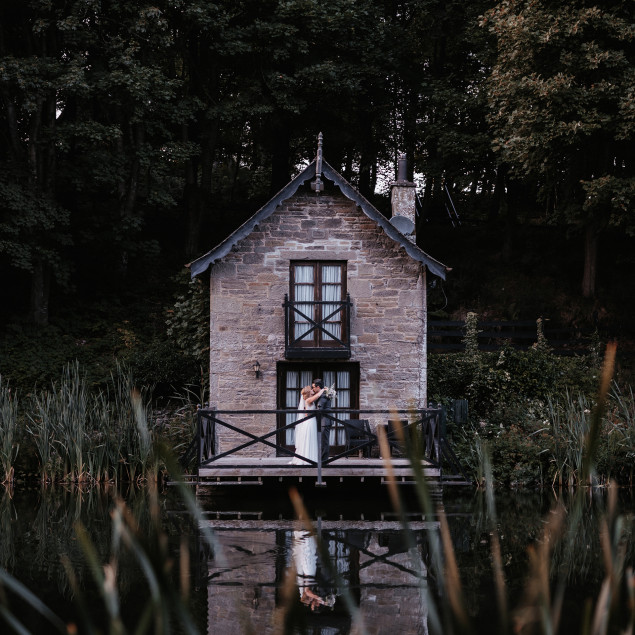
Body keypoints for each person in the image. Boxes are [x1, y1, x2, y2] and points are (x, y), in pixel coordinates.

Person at [290, 385, 325, 465]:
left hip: (312, 422)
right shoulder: (308, 400)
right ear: (309, 392)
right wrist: (322, 391)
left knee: (312, 439)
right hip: (309, 423)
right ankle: (306, 459)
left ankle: (312, 458)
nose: (313, 390)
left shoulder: (311, 400)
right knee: (308, 439)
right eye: (311, 389)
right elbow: (317, 396)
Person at [312, 378, 332, 463]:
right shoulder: (323, 394)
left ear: (318, 387)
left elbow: (320, 408)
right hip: (323, 420)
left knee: (324, 441)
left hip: (324, 421)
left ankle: (324, 461)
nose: (313, 389)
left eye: (314, 387)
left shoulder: (323, 395)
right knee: (322, 441)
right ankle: (322, 459)